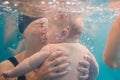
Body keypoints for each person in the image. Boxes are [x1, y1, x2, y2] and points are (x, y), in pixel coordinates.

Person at [2, 14, 99, 80]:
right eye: (41, 24)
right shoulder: (5, 67)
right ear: (23, 33)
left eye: (49, 25)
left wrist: (87, 77)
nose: (46, 29)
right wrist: (38, 78)